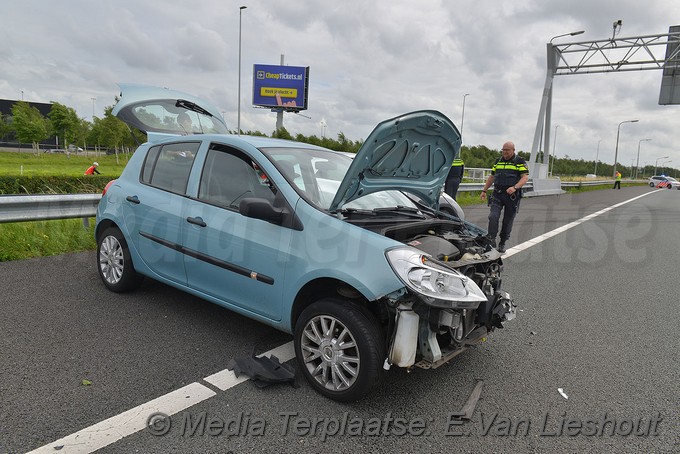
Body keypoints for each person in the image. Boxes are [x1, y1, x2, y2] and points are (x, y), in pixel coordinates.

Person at [480, 141, 529, 253]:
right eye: (503, 150)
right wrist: (484, 190)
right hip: (497, 194)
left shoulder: (519, 161)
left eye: (507, 150)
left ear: (513, 150)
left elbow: (524, 178)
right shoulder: (498, 161)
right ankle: (491, 240)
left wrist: (515, 187)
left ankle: (502, 242)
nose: (505, 152)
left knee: (508, 220)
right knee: (493, 217)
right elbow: (492, 177)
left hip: (512, 196)